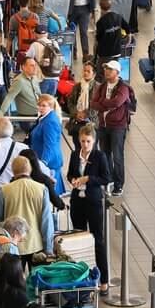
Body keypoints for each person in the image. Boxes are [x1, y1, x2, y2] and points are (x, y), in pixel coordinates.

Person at [66, 124, 110, 295]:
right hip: (78, 201)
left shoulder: (100, 157)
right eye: (83, 141)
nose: (85, 145)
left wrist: (88, 179)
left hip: (93, 202)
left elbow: (106, 178)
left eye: (88, 141)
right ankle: (82, 279)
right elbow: (70, 173)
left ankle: (104, 280)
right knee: (78, 239)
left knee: (98, 241)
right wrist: (74, 180)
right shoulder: (74, 155)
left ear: (94, 141)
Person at [0, 157, 55, 265]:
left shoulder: (4, 190)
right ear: (30, 170)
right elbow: (47, 222)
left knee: (15, 280)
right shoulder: (42, 189)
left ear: (13, 170)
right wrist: (48, 249)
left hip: (12, 244)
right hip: (35, 244)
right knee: (37, 279)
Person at [91, 60, 133, 197]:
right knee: (105, 155)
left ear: (117, 72)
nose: (106, 71)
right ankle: (108, 179)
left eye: (110, 69)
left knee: (118, 156)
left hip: (118, 127)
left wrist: (103, 103)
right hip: (103, 125)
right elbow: (93, 103)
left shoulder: (123, 88)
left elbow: (117, 102)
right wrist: (106, 104)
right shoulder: (102, 86)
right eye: (106, 69)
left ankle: (119, 184)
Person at [28, 94, 66, 194]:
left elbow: (50, 145)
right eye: (39, 105)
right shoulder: (44, 118)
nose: (40, 108)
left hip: (49, 164)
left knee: (50, 196)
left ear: (51, 107)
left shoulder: (50, 122)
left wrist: (43, 164)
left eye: (44, 105)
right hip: (44, 161)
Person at [66, 61, 99, 148]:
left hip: (91, 122)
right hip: (77, 123)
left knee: (91, 151)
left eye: (88, 71)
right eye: (84, 70)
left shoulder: (98, 88)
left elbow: (98, 105)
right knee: (78, 149)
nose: (85, 73)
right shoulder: (77, 87)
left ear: (94, 74)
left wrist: (86, 114)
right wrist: (76, 113)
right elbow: (70, 102)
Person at [94, 0, 128, 64]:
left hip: (105, 54)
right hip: (117, 52)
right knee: (114, 71)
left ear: (100, 7)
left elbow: (98, 39)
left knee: (103, 72)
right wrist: (128, 40)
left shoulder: (100, 22)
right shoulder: (118, 16)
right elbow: (127, 28)